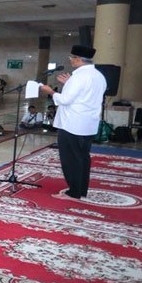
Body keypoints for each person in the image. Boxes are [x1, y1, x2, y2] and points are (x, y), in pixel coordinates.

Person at [39, 45, 106, 200]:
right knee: (82, 157)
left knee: (70, 159)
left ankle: (74, 192)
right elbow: (85, 95)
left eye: (71, 58)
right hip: (88, 124)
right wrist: (69, 84)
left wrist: (51, 92)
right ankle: (81, 190)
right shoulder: (98, 75)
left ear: (78, 59)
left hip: (72, 124)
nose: (70, 61)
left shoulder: (79, 77)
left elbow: (65, 99)